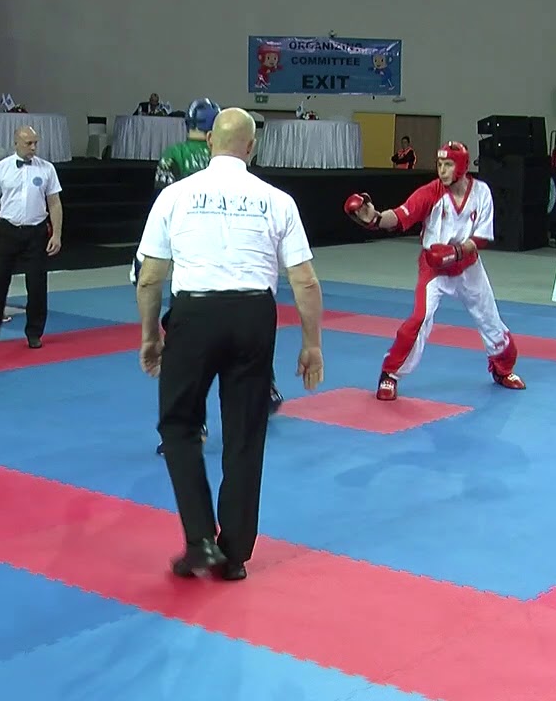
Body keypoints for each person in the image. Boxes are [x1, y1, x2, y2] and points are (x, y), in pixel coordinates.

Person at [136, 108, 325, 581]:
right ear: (251, 147)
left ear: (209, 143)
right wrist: (312, 344)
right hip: (253, 317)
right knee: (245, 432)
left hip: (194, 316)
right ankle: (235, 552)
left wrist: (149, 336)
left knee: (179, 424)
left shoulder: (175, 195)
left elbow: (150, 277)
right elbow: (305, 281)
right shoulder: (277, 200)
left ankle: (200, 537)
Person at [132, 98, 284, 455]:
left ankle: (191, 424)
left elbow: (163, 201)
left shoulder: (173, 155)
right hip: (237, 262)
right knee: (247, 330)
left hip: (191, 260)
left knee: (188, 345)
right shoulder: (232, 155)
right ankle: (266, 387)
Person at [344, 141, 526, 400]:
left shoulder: (481, 192)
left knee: (490, 319)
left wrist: (456, 252)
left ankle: (502, 369)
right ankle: (390, 374)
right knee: (419, 319)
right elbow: (400, 215)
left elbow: (481, 238)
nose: (442, 170)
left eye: (448, 164)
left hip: (468, 266)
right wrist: (375, 218)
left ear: (461, 166)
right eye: (439, 164)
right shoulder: (430, 192)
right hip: (433, 269)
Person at [0, 126, 62, 349]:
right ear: (16, 143)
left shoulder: (47, 168)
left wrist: (57, 234)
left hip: (36, 232)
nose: (33, 147)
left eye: (35, 143)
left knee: (37, 284)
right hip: (7, 231)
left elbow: (54, 203)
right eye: (29, 143)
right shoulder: (0, 168)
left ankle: (34, 333)